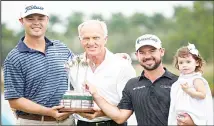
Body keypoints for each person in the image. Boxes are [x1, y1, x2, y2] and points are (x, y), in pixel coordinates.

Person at [85, 34, 196, 125]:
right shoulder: (132, 85)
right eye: (142, 52)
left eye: (152, 51)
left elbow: (199, 114)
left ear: (161, 51)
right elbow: (120, 117)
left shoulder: (179, 82)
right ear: (136, 55)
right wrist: (96, 95)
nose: (147, 56)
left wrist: (192, 122)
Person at [3, 4, 75, 125]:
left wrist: (116, 58)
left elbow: (83, 67)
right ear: (21, 21)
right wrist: (49, 112)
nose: (36, 23)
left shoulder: (61, 47)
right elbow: (14, 100)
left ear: (47, 20)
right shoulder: (14, 58)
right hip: (34, 122)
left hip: (67, 122)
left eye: (41, 18)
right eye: (30, 19)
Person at [72, 20, 136, 126]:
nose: (91, 42)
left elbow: (127, 107)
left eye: (96, 38)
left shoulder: (122, 66)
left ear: (105, 39)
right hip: (82, 123)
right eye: (86, 38)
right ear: (80, 40)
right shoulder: (74, 64)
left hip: (112, 123)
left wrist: (100, 113)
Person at [168, 43, 213, 125]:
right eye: (181, 62)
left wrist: (188, 91)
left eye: (188, 62)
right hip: (182, 113)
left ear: (197, 63)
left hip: (193, 113)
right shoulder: (180, 80)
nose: (184, 65)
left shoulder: (196, 79)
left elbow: (202, 95)